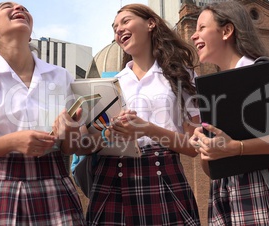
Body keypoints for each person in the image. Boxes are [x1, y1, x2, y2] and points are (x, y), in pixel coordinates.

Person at [0, 2, 86, 225]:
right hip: (0, 187)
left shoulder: (61, 76)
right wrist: (12, 141)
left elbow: (70, 147)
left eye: (24, 8)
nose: (20, 7)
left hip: (57, 182)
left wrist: (70, 132)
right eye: (7, 6)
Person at [189, 2, 269, 225]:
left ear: (226, 31)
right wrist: (206, 151)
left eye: (201, 28)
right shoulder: (212, 90)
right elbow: (212, 171)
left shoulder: (261, 73)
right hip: (223, 200)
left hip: (261, 198)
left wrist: (237, 147)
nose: (192, 36)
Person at [82, 3, 201, 226]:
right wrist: (109, 132)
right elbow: (91, 143)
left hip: (163, 176)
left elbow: (194, 147)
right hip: (110, 176)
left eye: (125, 22)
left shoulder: (181, 75)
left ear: (150, 23)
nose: (118, 30)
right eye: (114, 27)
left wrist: (147, 129)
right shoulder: (113, 83)